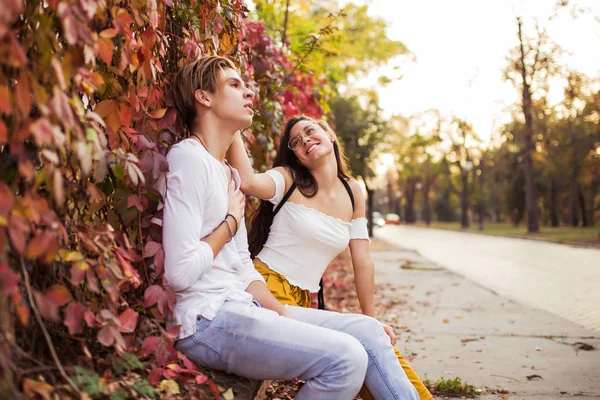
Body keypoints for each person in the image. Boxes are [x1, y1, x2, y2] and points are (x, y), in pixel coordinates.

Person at [161, 55, 419, 400]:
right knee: (346, 357)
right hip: (205, 320)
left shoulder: (227, 174)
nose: (249, 93)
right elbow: (178, 274)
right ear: (204, 98)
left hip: (242, 305)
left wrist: (285, 317)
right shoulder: (189, 158)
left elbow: (241, 268)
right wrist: (231, 222)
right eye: (235, 85)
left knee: (369, 332)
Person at [227, 116, 432, 400]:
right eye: (296, 142)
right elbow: (248, 182)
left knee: (374, 346)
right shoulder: (288, 180)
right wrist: (233, 123)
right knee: (359, 349)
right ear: (296, 156)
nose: (305, 140)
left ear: (330, 134)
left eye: (310, 131)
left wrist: (370, 320)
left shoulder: (352, 191)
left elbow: (362, 260)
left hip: (300, 301)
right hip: (265, 292)